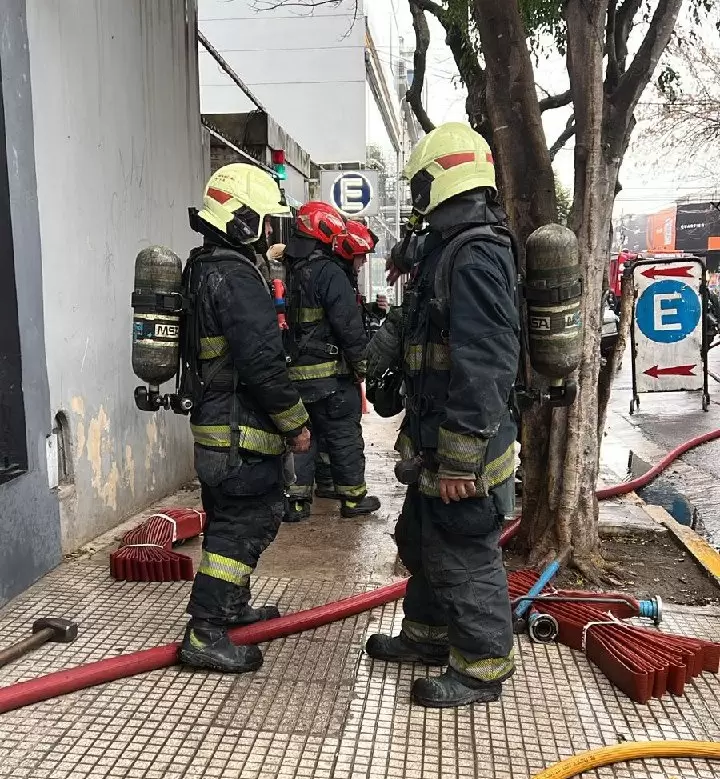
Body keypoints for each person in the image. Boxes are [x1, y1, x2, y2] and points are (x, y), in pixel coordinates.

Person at [365, 122, 520, 708]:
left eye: (420, 184)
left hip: (465, 446)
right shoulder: (449, 248)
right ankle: (427, 636)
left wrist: (460, 459)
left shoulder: (476, 255)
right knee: (424, 538)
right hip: (436, 436)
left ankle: (481, 669)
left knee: (463, 549)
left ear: (441, 180)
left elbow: (487, 362)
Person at [179, 163, 311, 674]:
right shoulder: (236, 276)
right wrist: (295, 423)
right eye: (263, 219)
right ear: (241, 219)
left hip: (216, 428)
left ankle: (231, 608)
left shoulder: (202, 265)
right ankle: (206, 631)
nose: (268, 230)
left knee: (226, 518)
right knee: (247, 522)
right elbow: (261, 362)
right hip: (240, 433)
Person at [283, 204, 381, 521]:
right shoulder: (330, 273)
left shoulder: (290, 270)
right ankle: (353, 499)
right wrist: (361, 366)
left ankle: (297, 502)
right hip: (331, 379)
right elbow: (348, 327)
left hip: (294, 377)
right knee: (343, 436)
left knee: (303, 439)